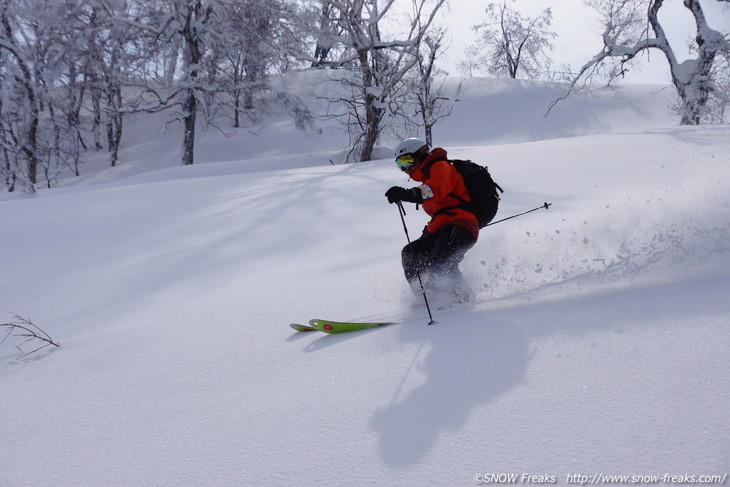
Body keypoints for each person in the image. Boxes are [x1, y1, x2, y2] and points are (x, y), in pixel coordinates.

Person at [385, 138, 479, 302]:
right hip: (440, 227)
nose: (404, 168)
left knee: (441, 263)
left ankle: (462, 298)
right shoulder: (427, 177)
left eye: (407, 160)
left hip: (461, 224)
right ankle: (427, 298)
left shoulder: (441, 167)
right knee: (410, 254)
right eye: (400, 163)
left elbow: (436, 188)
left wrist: (409, 194)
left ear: (421, 155)